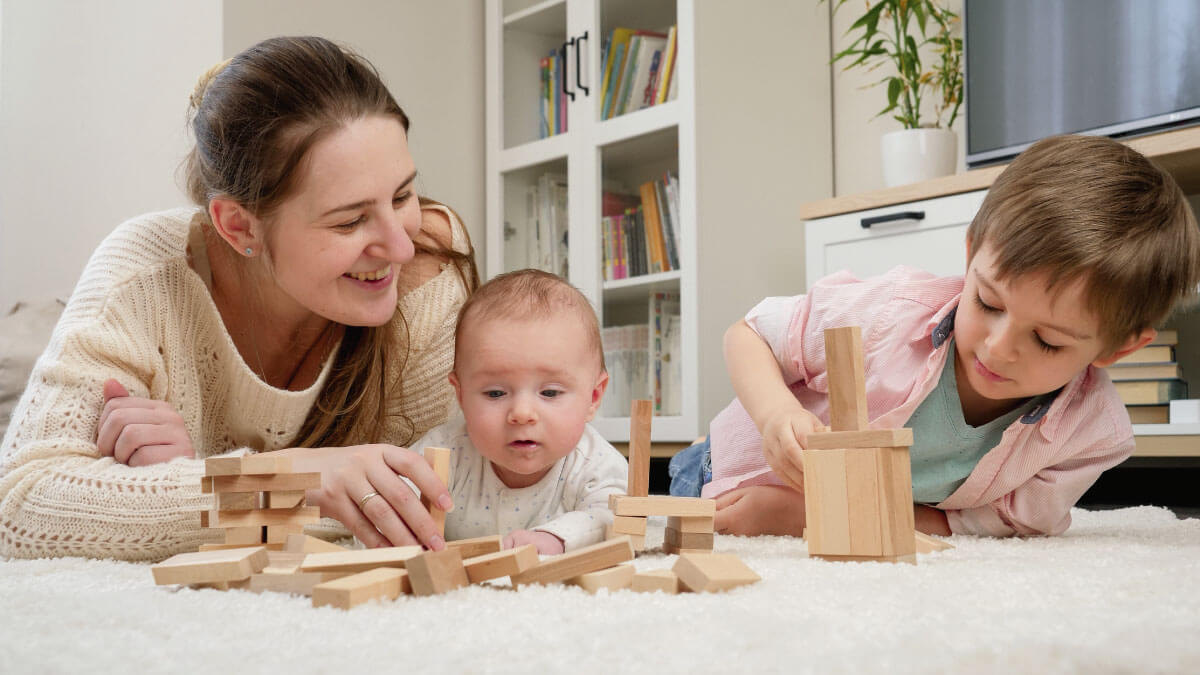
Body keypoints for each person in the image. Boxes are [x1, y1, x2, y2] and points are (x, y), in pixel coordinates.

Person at [0, 36, 480, 560]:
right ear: (238, 226)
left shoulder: (428, 268)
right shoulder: (141, 274)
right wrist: (286, 479)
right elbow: (19, 508)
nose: (399, 244)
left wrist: (187, 481)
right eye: (350, 220)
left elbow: (431, 509)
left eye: (404, 195)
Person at [671, 134, 1200, 539]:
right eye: (987, 303)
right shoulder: (893, 311)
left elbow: (987, 524)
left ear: (1118, 348)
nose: (997, 347)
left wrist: (812, 514)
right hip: (722, 474)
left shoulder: (1091, 436)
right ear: (970, 255)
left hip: (822, 502)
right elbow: (749, 333)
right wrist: (775, 415)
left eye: (1048, 341)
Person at [406, 269, 628, 554]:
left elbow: (612, 517)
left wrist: (554, 538)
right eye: (495, 393)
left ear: (593, 397)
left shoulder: (595, 464)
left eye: (549, 393)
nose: (522, 414)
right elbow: (396, 494)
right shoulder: (445, 452)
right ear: (461, 394)